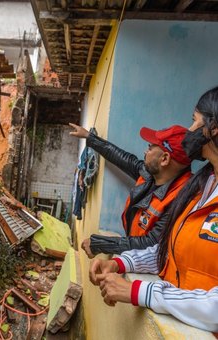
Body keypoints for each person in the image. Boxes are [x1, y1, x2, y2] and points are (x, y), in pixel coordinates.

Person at [89, 86, 218, 332]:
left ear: (214, 128)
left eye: (194, 122)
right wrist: (120, 263)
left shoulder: (182, 191)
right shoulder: (200, 187)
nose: (188, 131)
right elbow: (167, 251)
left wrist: (140, 291)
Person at [69, 123, 192, 258]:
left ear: (164, 159)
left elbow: (151, 244)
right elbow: (123, 158)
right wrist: (90, 137)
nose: (145, 152)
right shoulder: (150, 175)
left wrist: (99, 244)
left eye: (150, 148)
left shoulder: (182, 199)